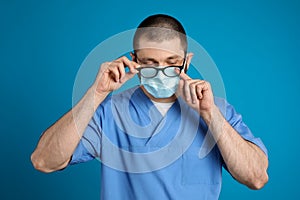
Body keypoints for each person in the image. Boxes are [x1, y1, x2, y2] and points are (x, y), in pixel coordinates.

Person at [31, 14, 269, 199]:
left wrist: (209, 114)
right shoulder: (109, 112)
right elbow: (44, 161)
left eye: (172, 63)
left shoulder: (217, 111)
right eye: (150, 63)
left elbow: (256, 178)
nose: (161, 72)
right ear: (134, 62)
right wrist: (96, 93)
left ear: (187, 61)